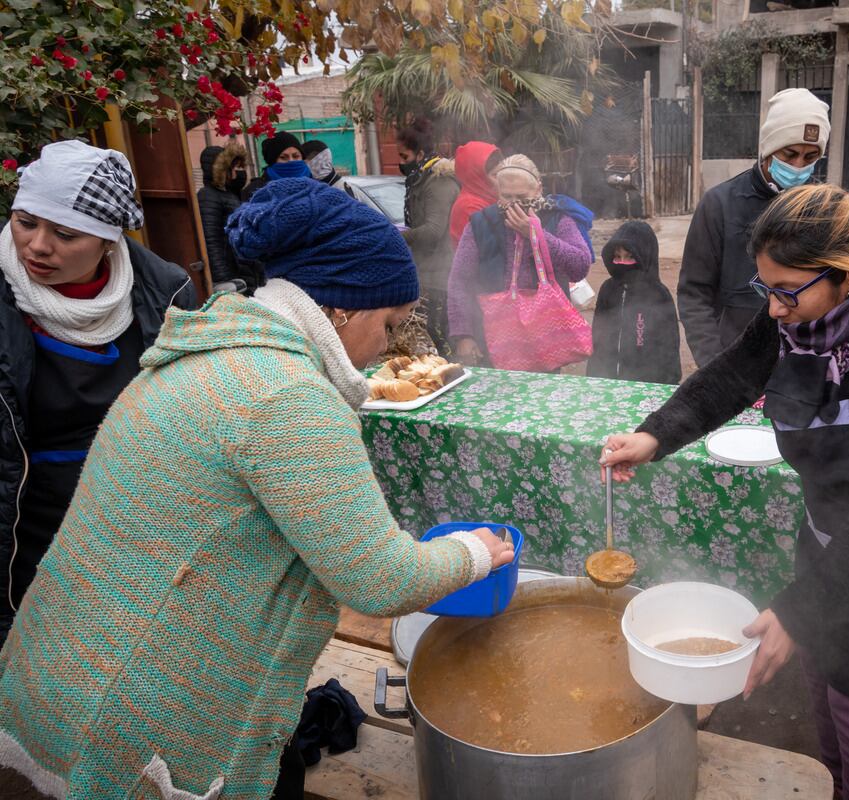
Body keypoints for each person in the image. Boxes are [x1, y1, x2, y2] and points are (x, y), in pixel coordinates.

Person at [0, 178, 514, 796]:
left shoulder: (203, 349)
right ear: (342, 308)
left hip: (61, 667)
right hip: (139, 708)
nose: (384, 347)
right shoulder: (285, 395)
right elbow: (381, 578)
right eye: (390, 322)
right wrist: (479, 551)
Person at [603, 185, 849, 800]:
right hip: (835, 531)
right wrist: (654, 436)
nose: (775, 310)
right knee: (823, 672)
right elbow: (733, 374)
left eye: (787, 292)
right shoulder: (798, 316)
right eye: (767, 290)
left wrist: (801, 606)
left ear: (848, 274)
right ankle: (833, 784)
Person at [0, 140, 197, 645]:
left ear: (109, 241)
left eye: (65, 234)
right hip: (22, 518)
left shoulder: (166, 293)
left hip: (130, 518)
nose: (38, 246)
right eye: (25, 222)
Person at [678, 88, 831, 368]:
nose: (798, 166)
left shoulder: (827, 209)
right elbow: (694, 293)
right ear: (769, 149)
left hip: (805, 368)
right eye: (790, 154)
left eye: (810, 158)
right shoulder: (719, 204)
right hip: (735, 363)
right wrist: (716, 366)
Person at [447, 154, 593, 368]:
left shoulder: (557, 218)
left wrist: (537, 234)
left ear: (538, 189)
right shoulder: (481, 223)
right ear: (497, 191)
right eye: (507, 197)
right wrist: (463, 335)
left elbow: (580, 266)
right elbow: (459, 280)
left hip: (545, 338)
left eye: (522, 197)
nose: (514, 205)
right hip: (493, 337)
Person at [587, 220, 681, 384]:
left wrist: (667, 386)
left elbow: (669, 349)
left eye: (630, 257)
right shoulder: (608, 289)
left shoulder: (659, 295)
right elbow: (597, 338)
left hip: (646, 385)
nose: (622, 262)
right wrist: (593, 377)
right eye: (617, 256)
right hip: (607, 381)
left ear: (644, 256)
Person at [397, 118, 460, 355]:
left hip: (441, 274)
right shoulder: (419, 179)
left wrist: (398, 237)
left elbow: (433, 230)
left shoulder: (438, 182)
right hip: (427, 271)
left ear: (420, 153)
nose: (401, 163)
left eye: (404, 157)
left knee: (441, 338)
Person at [197, 141, 260, 289]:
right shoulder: (208, 196)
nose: (236, 173)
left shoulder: (229, 194)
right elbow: (211, 239)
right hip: (231, 274)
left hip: (242, 269)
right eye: (232, 168)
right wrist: (222, 279)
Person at [449, 140, 502, 247]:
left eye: (503, 171)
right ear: (477, 178)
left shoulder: (489, 198)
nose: (503, 179)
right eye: (495, 175)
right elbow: (490, 250)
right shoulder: (469, 207)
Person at [241, 131, 310, 201]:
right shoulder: (255, 191)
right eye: (283, 157)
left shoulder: (316, 187)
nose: (291, 161)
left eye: (296, 156)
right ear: (272, 161)